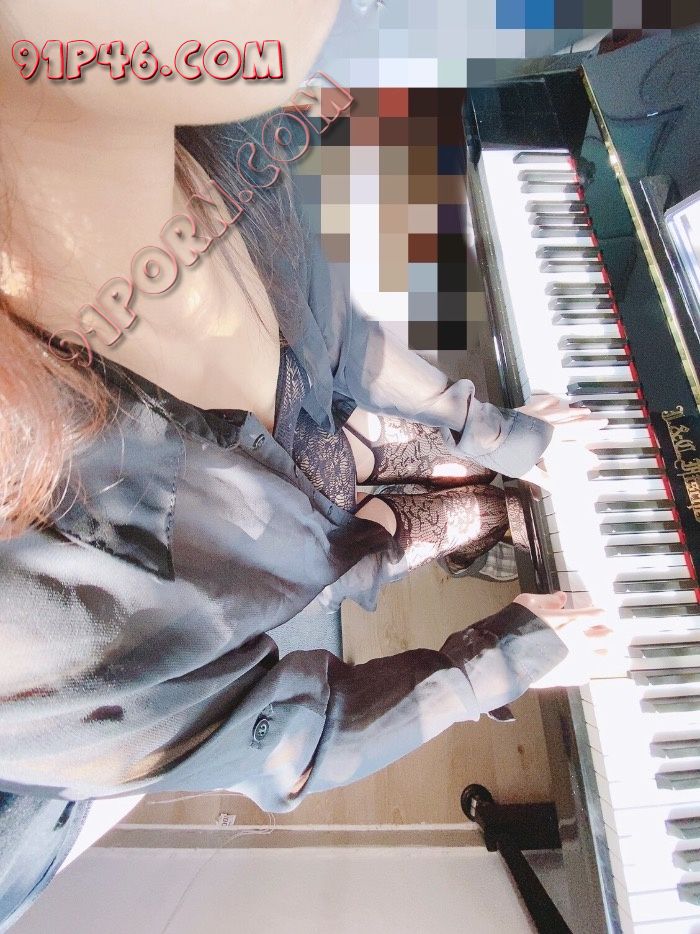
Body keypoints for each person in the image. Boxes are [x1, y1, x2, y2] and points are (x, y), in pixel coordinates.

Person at [0, 0, 611, 824]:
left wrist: (486, 427)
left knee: (337, 472)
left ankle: (395, 472)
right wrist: (489, 664)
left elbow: (335, 334)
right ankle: (413, 524)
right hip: (254, 576)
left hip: (301, 461)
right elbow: (281, 737)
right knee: (335, 546)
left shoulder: (217, 121)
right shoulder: (31, 610)